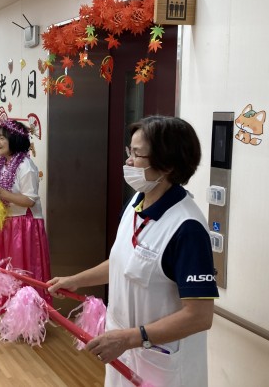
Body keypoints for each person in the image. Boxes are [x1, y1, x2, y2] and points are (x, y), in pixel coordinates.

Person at [47, 116, 219, 386]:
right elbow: (123, 262)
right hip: (124, 349)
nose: (128, 161)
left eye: (137, 154)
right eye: (130, 151)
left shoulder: (187, 228)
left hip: (160, 360)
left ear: (167, 165)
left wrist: (129, 338)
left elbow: (199, 316)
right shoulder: (136, 203)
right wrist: (76, 280)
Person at [0, 120, 51, 312]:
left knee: (22, 272)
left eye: (2, 138)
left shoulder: (25, 166)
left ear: (14, 140)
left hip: (24, 226)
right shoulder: (0, 164)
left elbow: (29, 200)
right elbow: (0, 193)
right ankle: (8, 312)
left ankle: (27, 316)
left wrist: (2, 193)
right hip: (5, 223)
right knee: (5, 270)